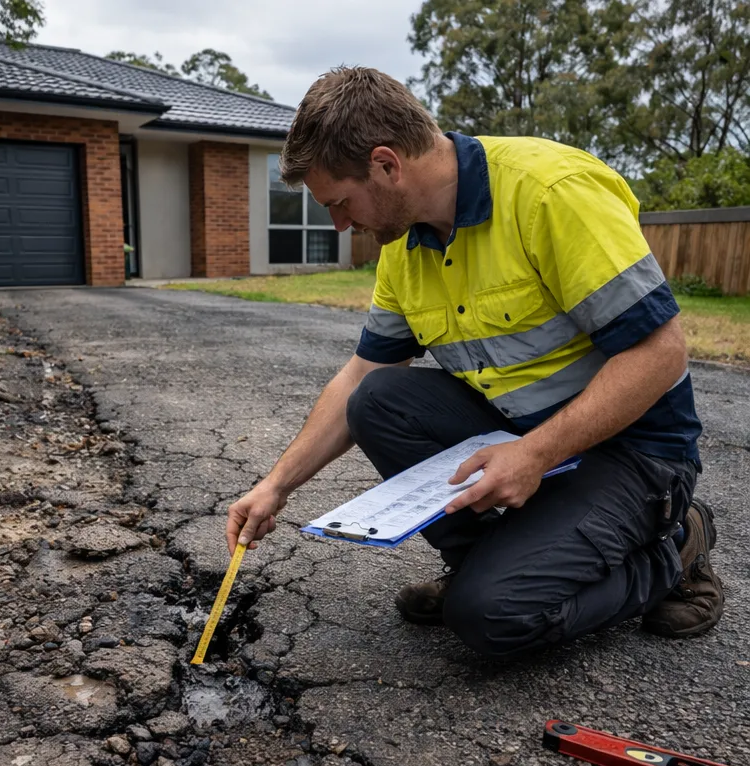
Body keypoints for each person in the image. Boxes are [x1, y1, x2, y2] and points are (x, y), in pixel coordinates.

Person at [226, 67, 724, 657]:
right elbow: (363, 373)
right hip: (520, 435)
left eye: (340, 202)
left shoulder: (550, 193)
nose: (339, 223)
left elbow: (660, 353)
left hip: (631, 451)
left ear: (386, 165)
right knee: (380, 399)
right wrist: (276, 486)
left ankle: (677, 543)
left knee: (493, 617)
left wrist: (535, 453)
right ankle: (482, 561)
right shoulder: (405, 243)